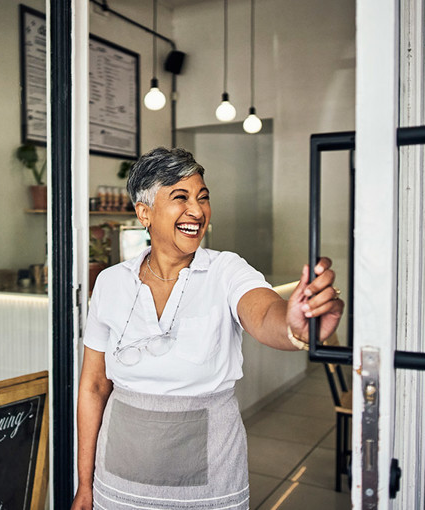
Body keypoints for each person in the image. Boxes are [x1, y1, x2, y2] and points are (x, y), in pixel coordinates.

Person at [72, 147, 344, 510]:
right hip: (118, 479)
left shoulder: (226, 270)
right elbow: (93, 386)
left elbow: (263, 315)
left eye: (203, 198)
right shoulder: (110, 283)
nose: (197, 211)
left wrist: (295, 327)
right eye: (180, 197)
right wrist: (85, 486)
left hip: (208, 483)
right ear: (144, 213)